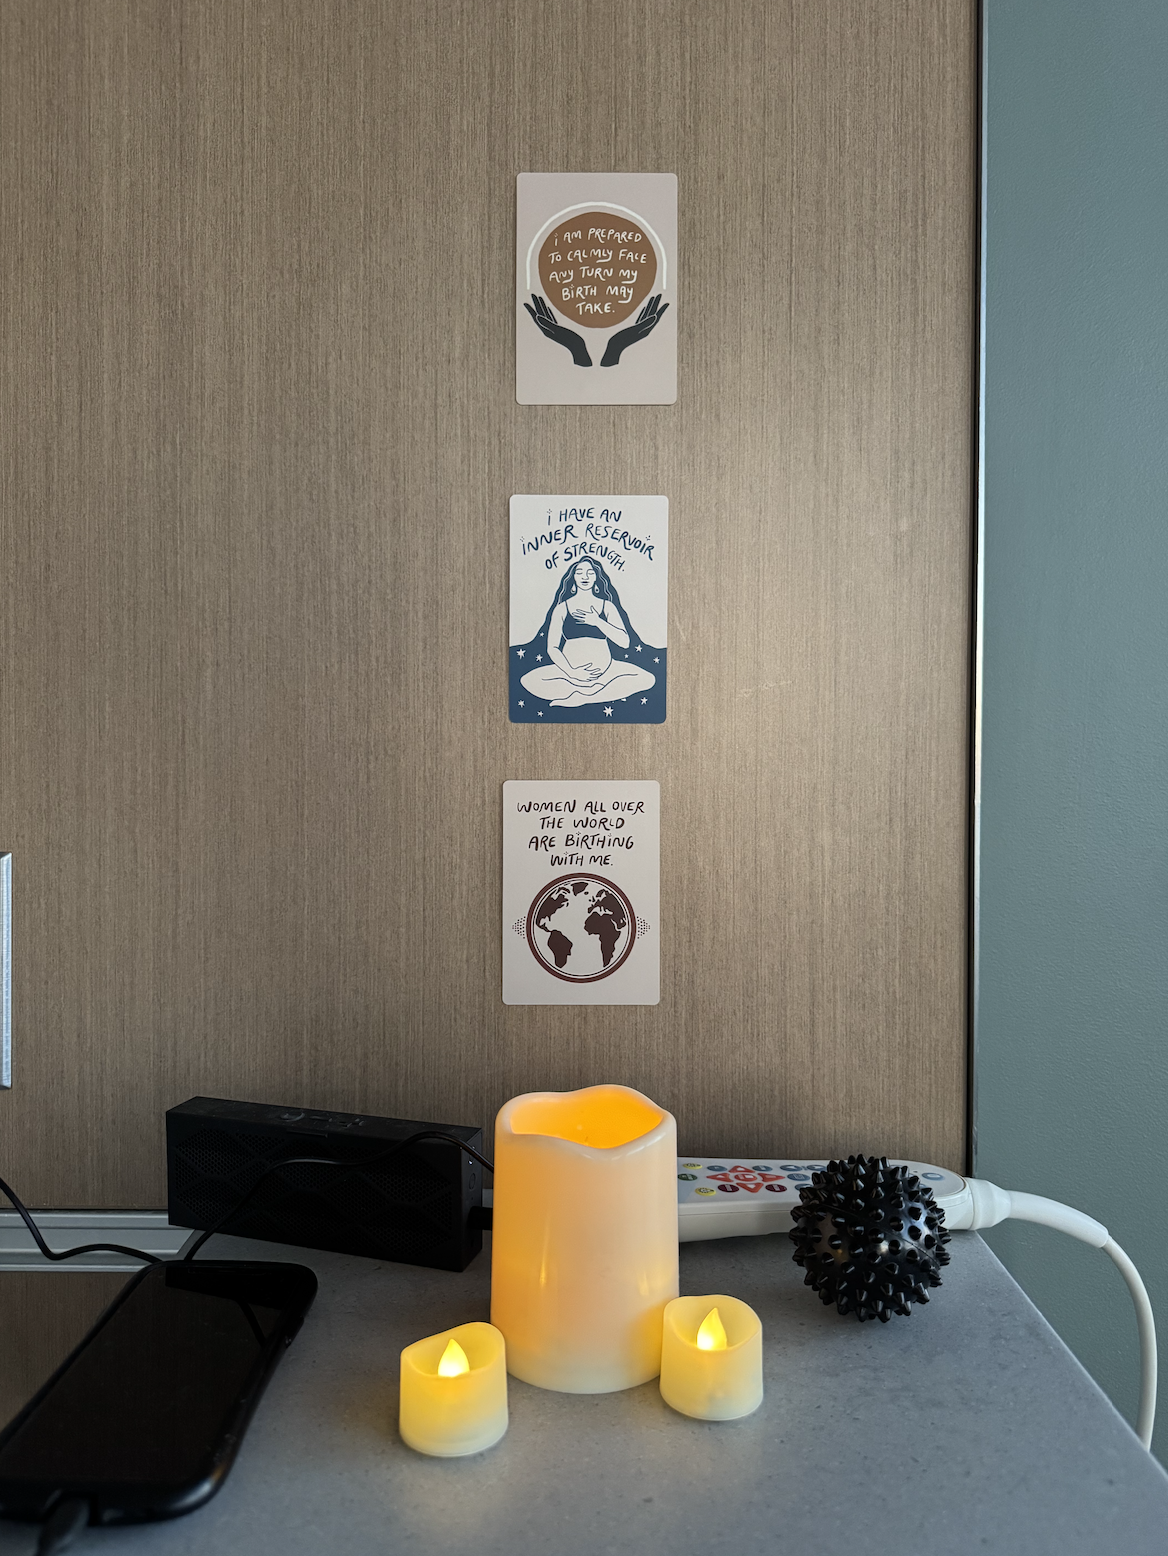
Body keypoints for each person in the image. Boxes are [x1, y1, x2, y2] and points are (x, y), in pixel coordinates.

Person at [519, 559, 656, 708]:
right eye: (579, 573)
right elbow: (552, 648)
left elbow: (624, 642)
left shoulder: (607, 606)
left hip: (606, 672)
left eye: (590, 573)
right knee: (528, 680)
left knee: (647, 679)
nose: (585, 577)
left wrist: (597, 622)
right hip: (570, 674)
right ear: (573, 578)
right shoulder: (562, 608)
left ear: (596, 578)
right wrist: (572, 672)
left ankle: (584, 698)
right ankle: (596, 693)